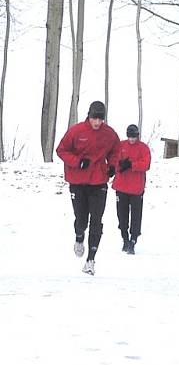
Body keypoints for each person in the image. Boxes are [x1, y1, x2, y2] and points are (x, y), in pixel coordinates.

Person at [56, 100, 121, 275]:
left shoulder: (109, 134)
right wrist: (77, 162)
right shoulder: (76, 131)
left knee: (96, 221)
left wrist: (112, 165)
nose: (97, 123)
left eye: (100, 119)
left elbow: (116, 150)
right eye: (94, 119)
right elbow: (61, 150)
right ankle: (79, 236)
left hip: (99, 181)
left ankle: (91, 260)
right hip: (78, 181)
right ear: (89, 116)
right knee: (81, 220)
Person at [112, 124, 152, 255]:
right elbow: (113, 161)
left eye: (134, 137)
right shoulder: (120, 146)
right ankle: (124, 237)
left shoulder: (143, 148)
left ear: (138, 135)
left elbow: (146, 164)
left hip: (136, 188)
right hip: (121, 186)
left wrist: (131, 164)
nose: (132, 139)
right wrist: (119, 166)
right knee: (122, 215)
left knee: (136, 216)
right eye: (130, 137)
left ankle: (133, 239)